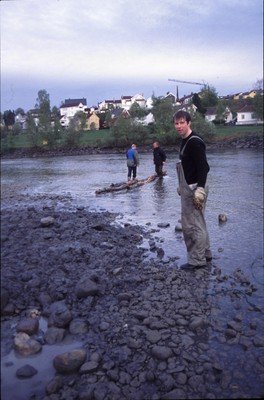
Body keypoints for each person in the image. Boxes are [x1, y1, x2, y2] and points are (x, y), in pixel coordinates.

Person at [174, 110, 212, 270]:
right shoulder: (185, 140)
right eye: (176, 123)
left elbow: (203, 167)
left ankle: (197, 261)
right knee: (199, 221)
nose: (179, 126)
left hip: (195, 189)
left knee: (192, 225)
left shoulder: (195, 142)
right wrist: (181, 185)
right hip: (188, 186)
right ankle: (206, 254)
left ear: (189, 123)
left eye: (182, 122)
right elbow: (188, 166)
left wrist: (200, 190)